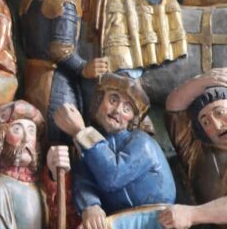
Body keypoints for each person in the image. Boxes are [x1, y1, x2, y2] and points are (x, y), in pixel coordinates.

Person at [55, 73, 176, 229]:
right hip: (121, 219)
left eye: (127, 109)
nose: (118, 110)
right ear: (99, 101)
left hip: (154, 219)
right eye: (113, 100)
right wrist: (90, 206)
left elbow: (112, 176)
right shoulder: (94, 145)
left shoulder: (142, 142)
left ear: (132, 120)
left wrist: (82, 132)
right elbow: (83, 179)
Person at [19, 0, 109, 142]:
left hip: (32, 77)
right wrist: (83, 68)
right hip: (56, 82)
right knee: (61, 137)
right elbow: (61, 49)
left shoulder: (28, 0)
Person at [0, 100, 70, 229]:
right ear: (1, 139)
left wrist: (54, 176)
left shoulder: (39, 185)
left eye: (31, 131)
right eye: (17, 129)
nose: (26, 138)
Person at [160, 68, 227, 228]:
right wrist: (204, 82)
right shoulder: (196, 153)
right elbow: (173, 107)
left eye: (220, 113)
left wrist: (192, 214)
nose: (217, 125)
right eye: (206, 123)